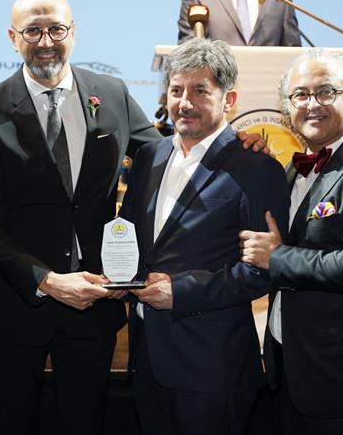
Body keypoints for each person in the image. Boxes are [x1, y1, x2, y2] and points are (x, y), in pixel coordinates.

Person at [0, 0, 164, 435]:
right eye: (32, 31)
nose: (46, 41)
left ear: (73, 32)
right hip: (19, 305)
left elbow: (165, 157)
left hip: (95, 300)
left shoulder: (111, 93)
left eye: (56, 29)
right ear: (13, 38)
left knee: (84, 421)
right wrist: (49, 282)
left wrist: (229, 145)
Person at [120, 37, 290, 435]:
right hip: (147, 360)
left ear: (229, 99)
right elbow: (128, 240)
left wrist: (181, 292)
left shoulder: (257, 168)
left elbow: (262, 271)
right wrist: (117, 278)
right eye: (177, 90)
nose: (185, 102)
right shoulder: (148, 157)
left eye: (200, 91)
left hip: (212, 367)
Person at [238, 48, 343, 435]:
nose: (312, 104)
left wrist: (277, 257)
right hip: (290, 367)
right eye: (300, 94)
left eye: (326, 91)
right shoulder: (293, 167)